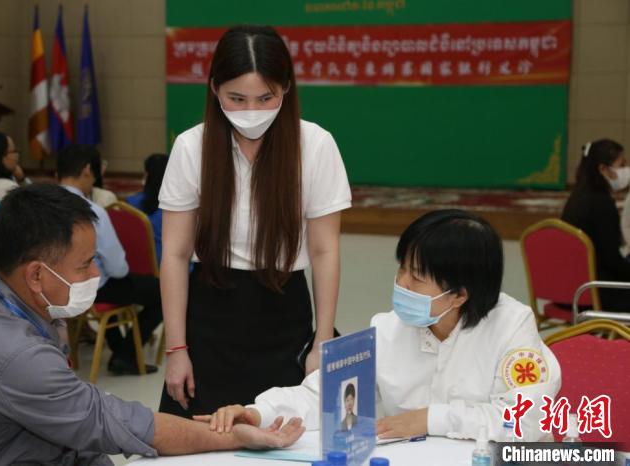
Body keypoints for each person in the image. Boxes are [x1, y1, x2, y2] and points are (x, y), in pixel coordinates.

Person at [0, 183, 305, 465]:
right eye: (84, 265)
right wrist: (233, 438)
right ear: (36, 276)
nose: (96, 274)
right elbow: (118, 424)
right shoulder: (15, 354)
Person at [196, 210, 561, 442]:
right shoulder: (389, 329)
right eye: (401, 269)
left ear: (459, 295)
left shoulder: (512, 328)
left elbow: (526, 421)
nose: (401, 284)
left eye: (416, 278)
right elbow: (324, 395)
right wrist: (258, 412)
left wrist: (428, 420)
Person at [157, 24, 351, 418]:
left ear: (286, 88)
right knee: (200, 437)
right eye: (237, 98)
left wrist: (322, 340)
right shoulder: (191, 147)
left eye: (265, 98)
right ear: (215, 89)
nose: (251, 111)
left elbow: (324, 250)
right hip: (210, 315)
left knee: (283, 433)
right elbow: (175, 254)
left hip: (284, 312)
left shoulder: (315, 145)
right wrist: (176, 349)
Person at [57, 144, 163, 374]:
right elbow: (118, 269)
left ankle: (120, 352)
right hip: (88, 287)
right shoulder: (91, 211)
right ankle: (126, 355)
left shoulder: (41, 205)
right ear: (88, 170)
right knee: (162, 292)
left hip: (52, 286)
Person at [563, 139, 630, 311]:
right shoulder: (602, 204)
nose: (626, 170)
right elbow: (612, 261)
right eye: (621, 165)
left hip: (569, 291)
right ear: (603, 169)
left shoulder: (576, 198)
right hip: (595, 292)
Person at [127, 153, 168, 263]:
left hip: (135, 264)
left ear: (146, 175)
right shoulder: (173, 210)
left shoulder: (130, 203)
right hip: (165, 267)